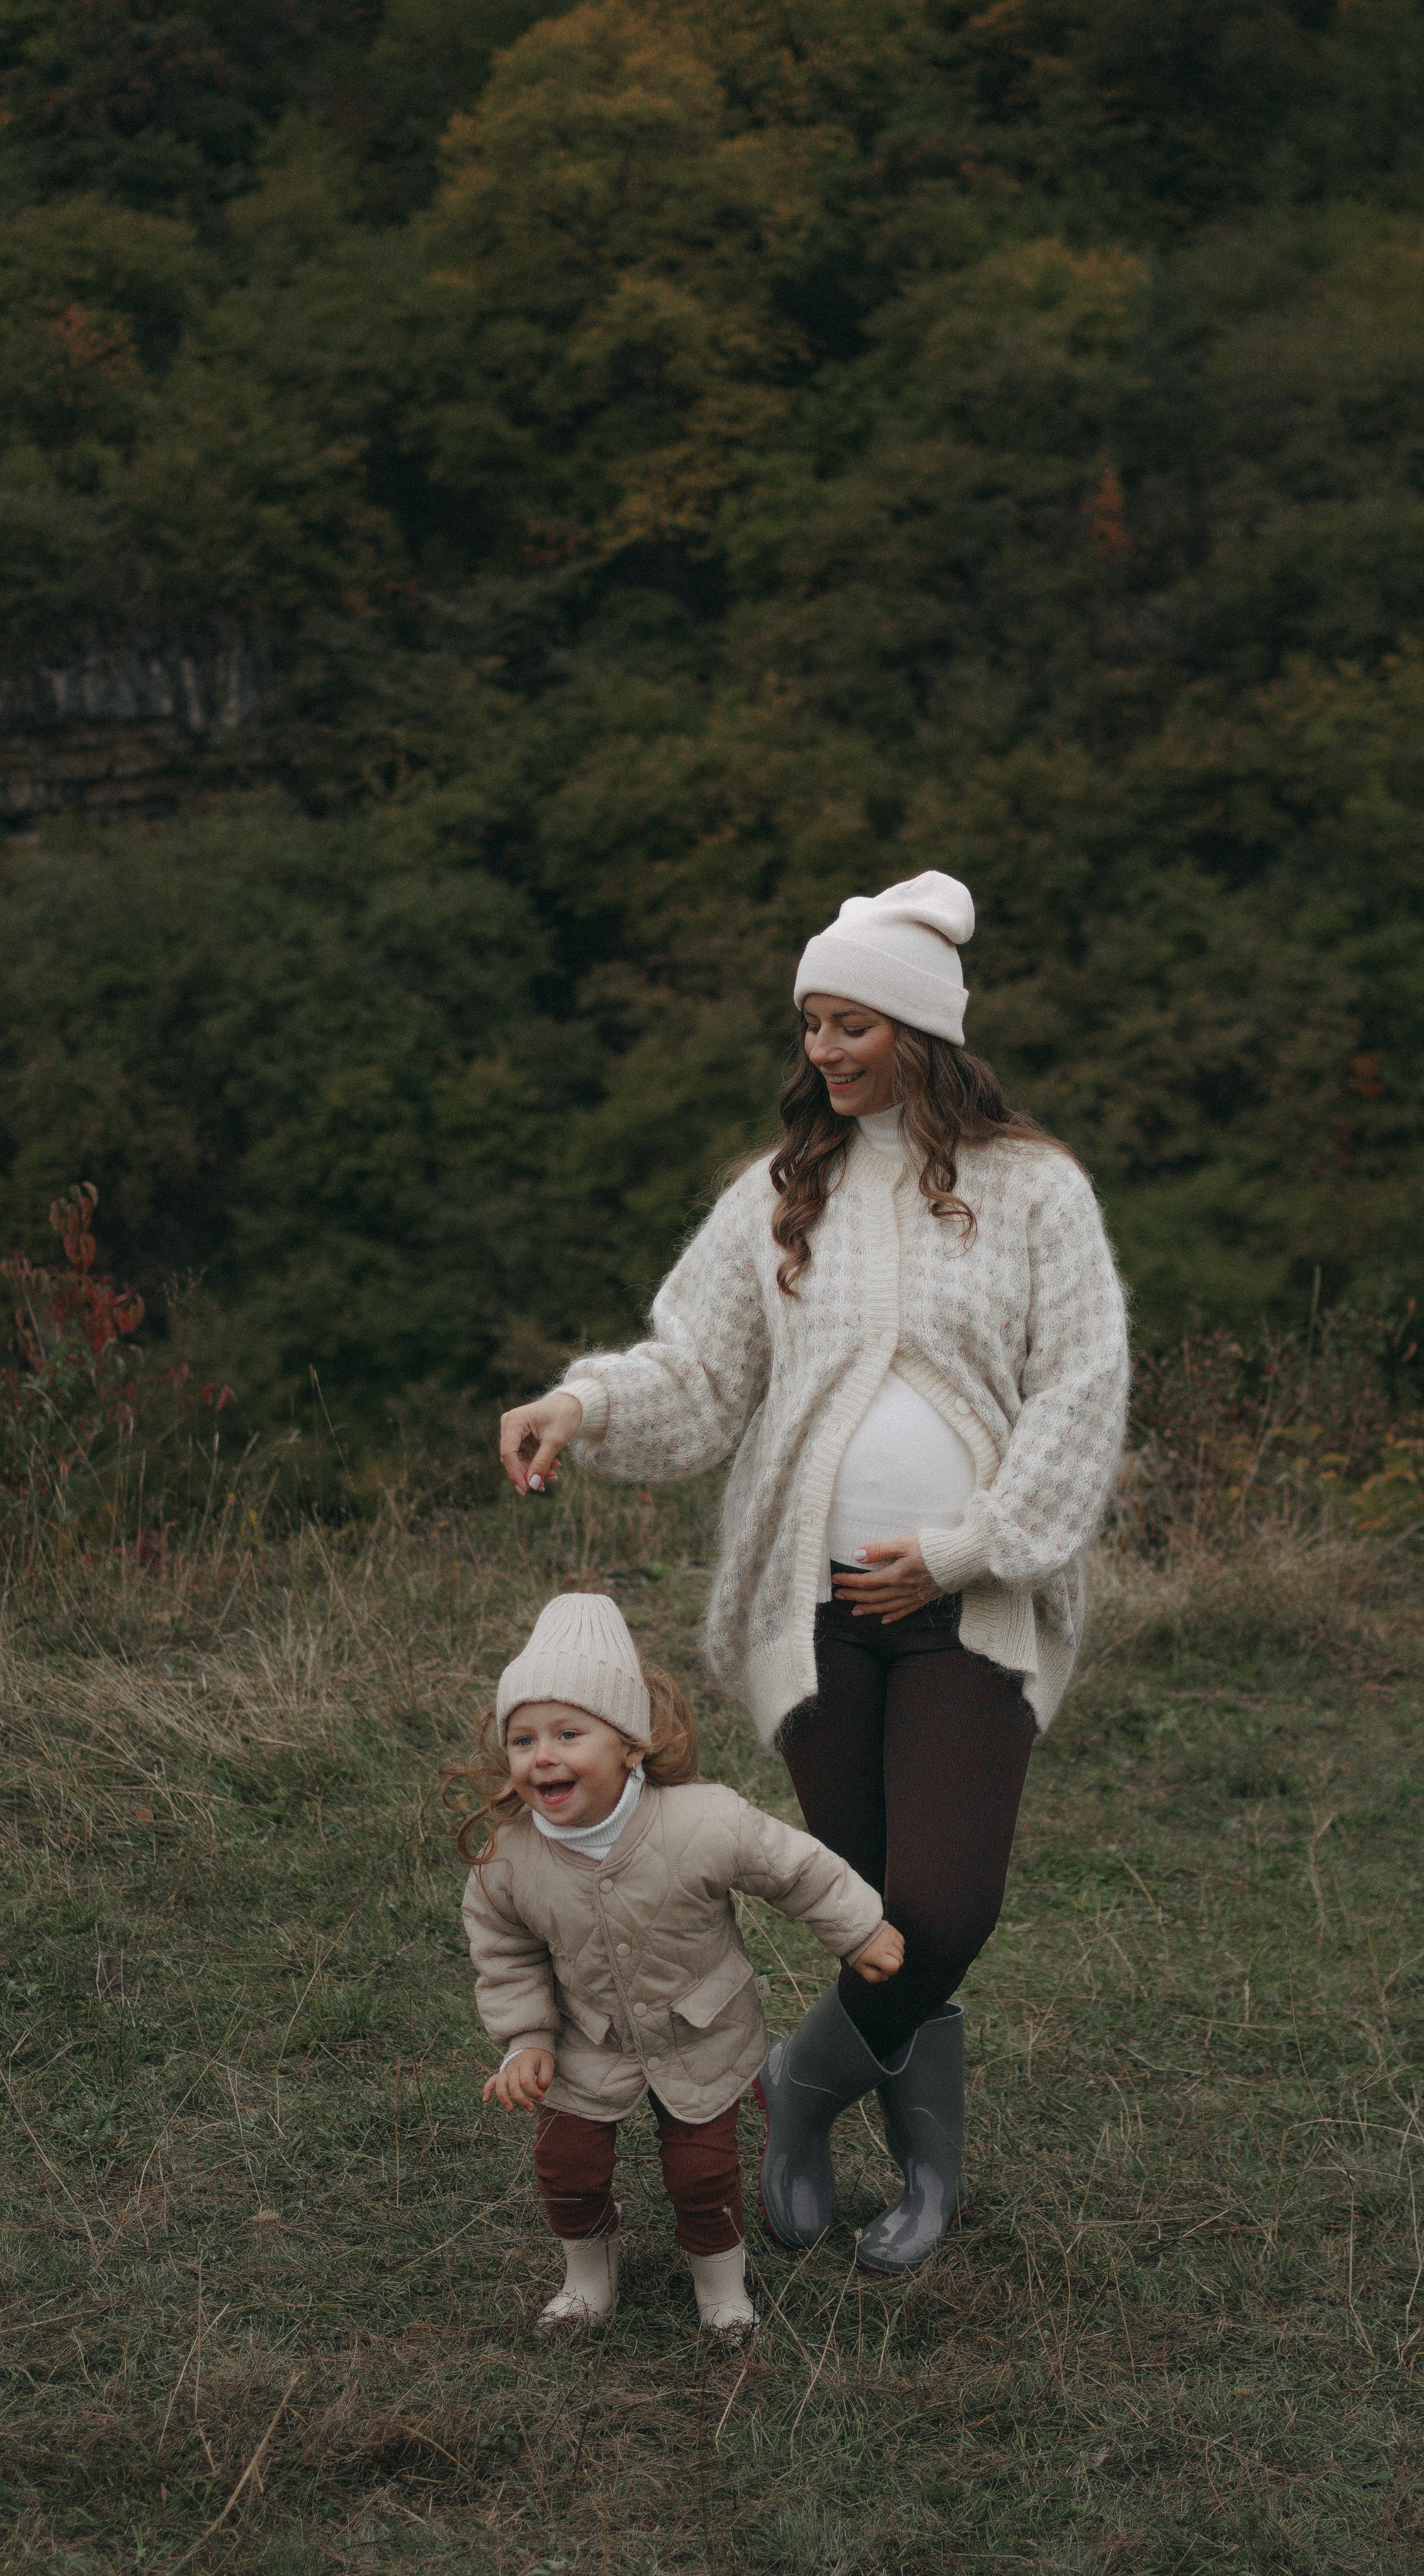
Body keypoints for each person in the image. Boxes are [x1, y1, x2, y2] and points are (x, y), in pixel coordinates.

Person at [497, 872, 1129, 2274]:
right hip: (812, 1622)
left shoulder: (1033, 1193)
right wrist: (583, 1406)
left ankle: (786, 2092)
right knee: (873, 1914)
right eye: (810, 1026)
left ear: (919, 1029)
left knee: (942, 1908)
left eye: (848, 1025)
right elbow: (699, 1371)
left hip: (969, 1615)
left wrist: (964, 1551)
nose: (820, 1054)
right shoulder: (781, 1192)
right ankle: (922, 2178)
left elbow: (1082, 1390)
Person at [451, 1590, 903, 2338]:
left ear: (629, 1744)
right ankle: (587, 2278)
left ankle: (720, 2290)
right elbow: (505, 1953)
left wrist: (858, 1928)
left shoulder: (704, 1820)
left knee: (701, 2172)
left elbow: (793, 1867)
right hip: (583, 2040)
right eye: (524, 1740)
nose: (543, 1756)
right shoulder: (508, 1859)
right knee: (566, 2164)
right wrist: (526, 2040)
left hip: (701, 2032)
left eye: (569, 1733)